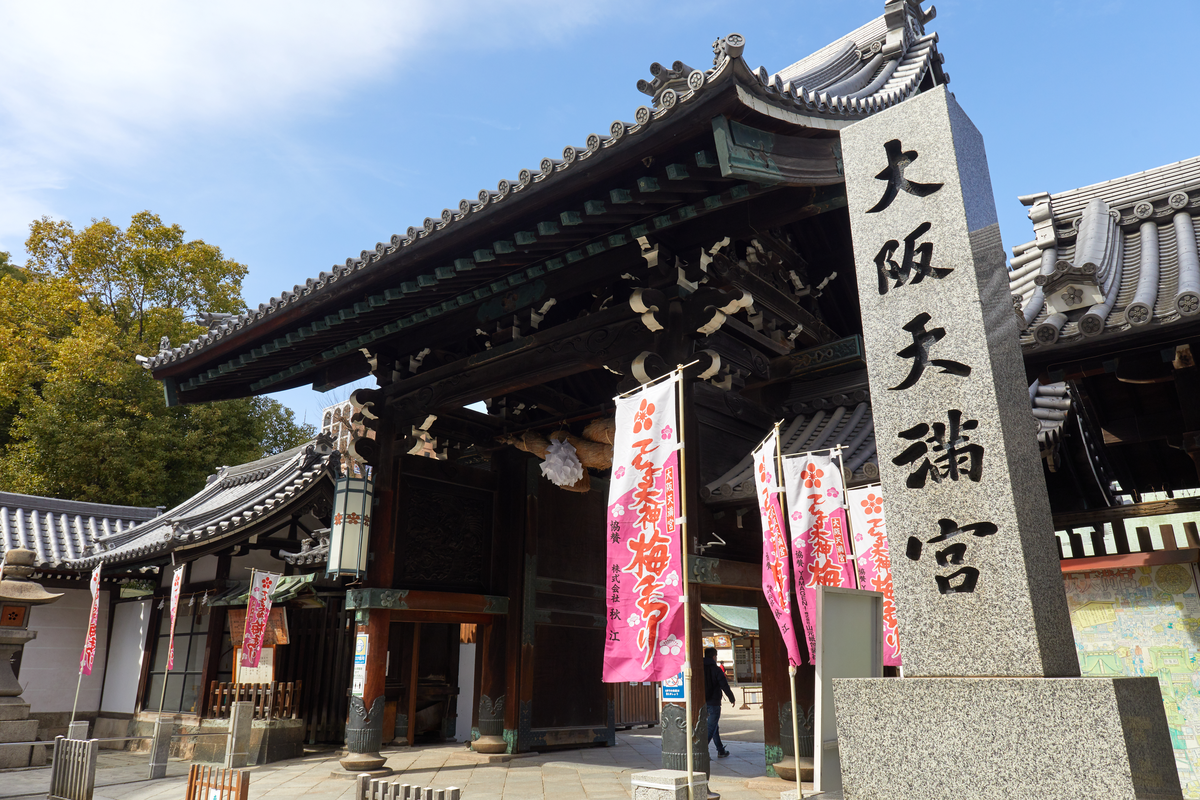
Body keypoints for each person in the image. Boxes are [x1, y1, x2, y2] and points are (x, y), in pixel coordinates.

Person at [703, 646, 736, 758]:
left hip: (702, 702)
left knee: (714, 727)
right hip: (714, 702)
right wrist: (732, 698)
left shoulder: (699, 668)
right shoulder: (716, 670)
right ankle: (700, 750)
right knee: (711, 727)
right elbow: (724, 686)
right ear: (714, 656)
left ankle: (720, 750)